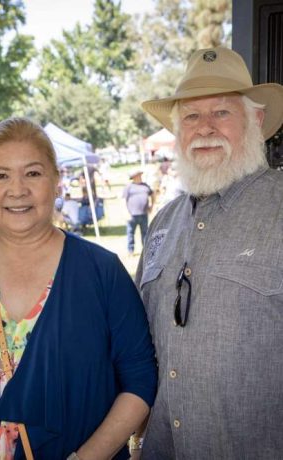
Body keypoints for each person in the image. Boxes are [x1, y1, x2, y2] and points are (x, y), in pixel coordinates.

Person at [0, 117, 158, 459]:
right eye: (1, 175)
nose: (17, 189)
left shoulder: (102, 272)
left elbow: (140, 381)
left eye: (33, 173)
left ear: (56, 182)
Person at [135, 46, 283, 459]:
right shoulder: (162, 223)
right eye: (190, 116)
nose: (204, 128)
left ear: (255, 120)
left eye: (221, 113)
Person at [122, 171, 153, 256]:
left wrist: (152, 206)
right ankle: (130, 250)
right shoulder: (128, 187)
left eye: (140, 175)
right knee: (130, 233)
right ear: (134, 177)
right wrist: (126, 212)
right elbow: (123, 200)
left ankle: (145, 250)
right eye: (138, 176)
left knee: (145, 233)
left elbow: (152, 195)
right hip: (132, 215)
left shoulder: (145, 186)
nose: (140, 177)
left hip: (144, 214)